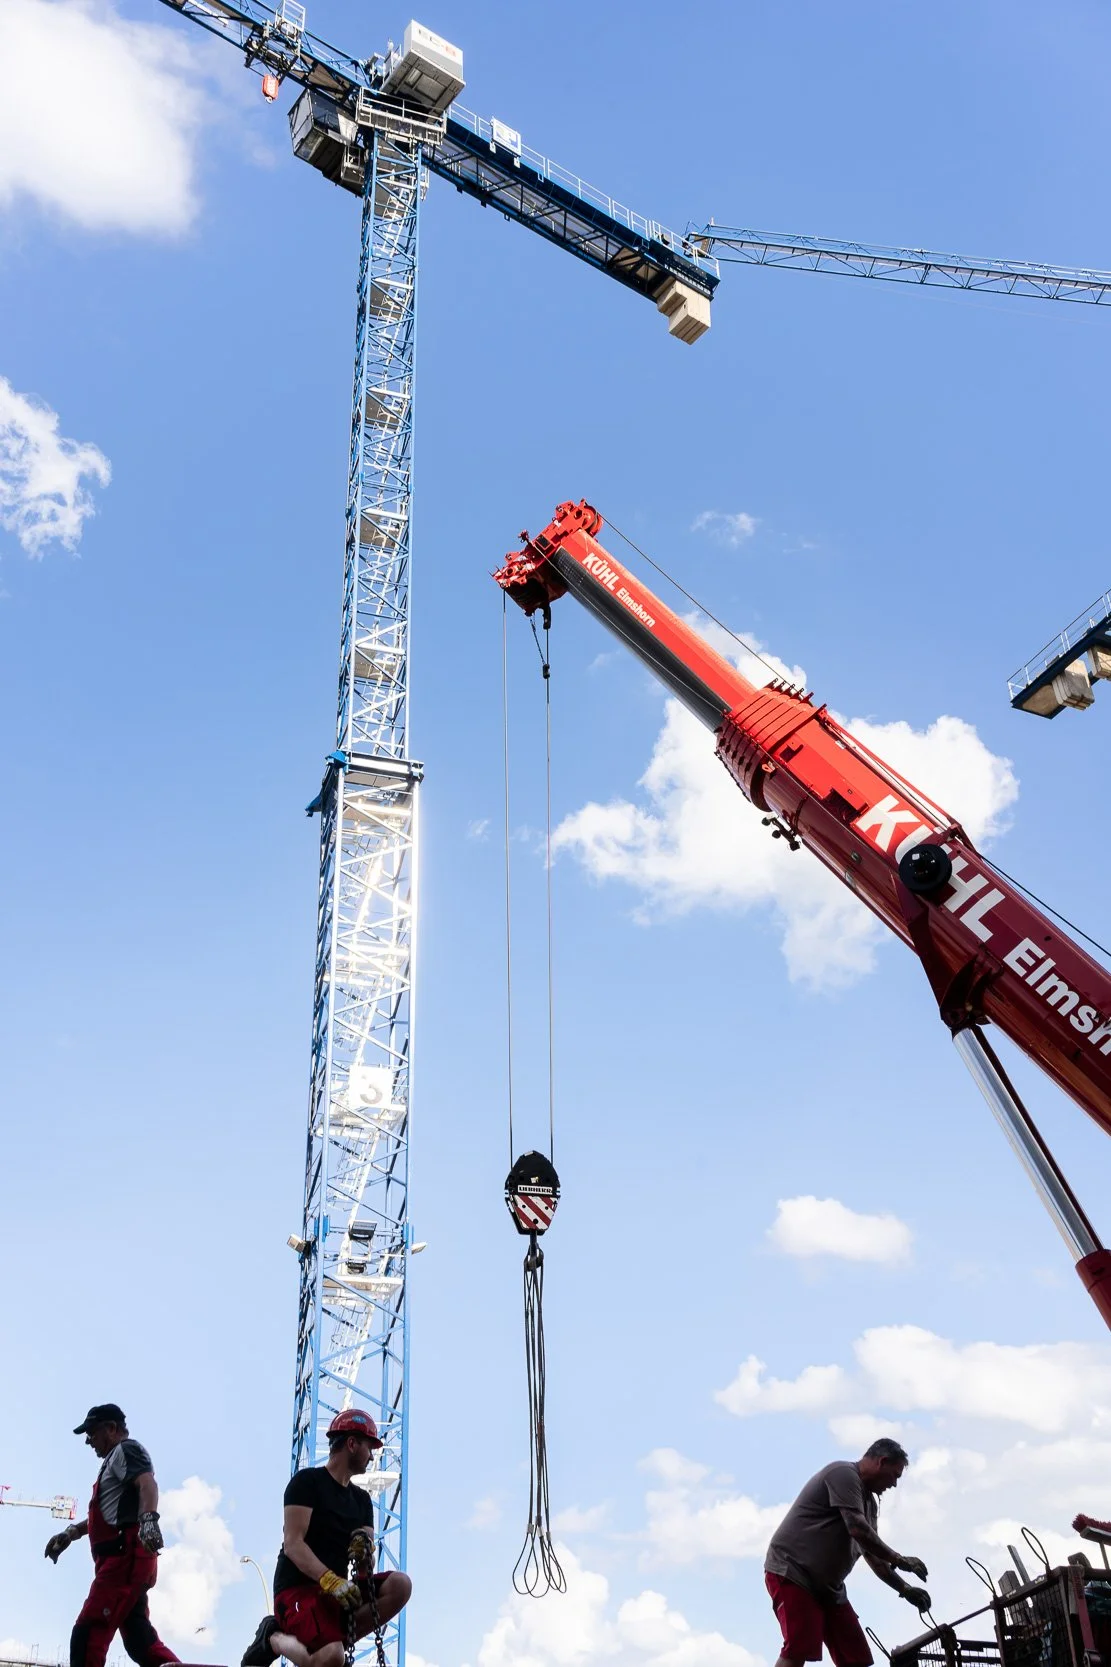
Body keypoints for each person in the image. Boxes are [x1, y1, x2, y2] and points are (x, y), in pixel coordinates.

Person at [242, 1408, 412, 1667]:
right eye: (369, 1447)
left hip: (336, 1595)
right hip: (297, 1591)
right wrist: (329, 1580)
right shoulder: (307, 1483)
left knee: (400, 1585)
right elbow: (293, 1545)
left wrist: (364, 1553)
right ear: (352, 1444)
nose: (372, 1456)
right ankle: (273, 1636)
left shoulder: (361, 1501)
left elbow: (366, 1568)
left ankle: (331, 1639)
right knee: (332, 1657)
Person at [764, 1438, 932, 1667]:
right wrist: (900, 1559)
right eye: (894, 1475)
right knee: (799, 1646)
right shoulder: (843, 1474)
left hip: (829, 1588)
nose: (893, 1484)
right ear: (881, 1462)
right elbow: (857, 1528)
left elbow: (873, 1555)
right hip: (794, 1572)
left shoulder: (869, 1504)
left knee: (856, 1657)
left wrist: (905, 1588)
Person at [45, 1403, 179, 1667]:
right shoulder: (115, 1461)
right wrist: (72, 1532)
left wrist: (149, 1519)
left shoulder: (126, 1451)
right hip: (125, 1562)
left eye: (92, 1433)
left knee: (88, 1633)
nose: (88, 1441)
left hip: (123, 1560)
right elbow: (107, 1514)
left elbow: (147, 1484)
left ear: (111, 1428)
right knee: (140, 1641)